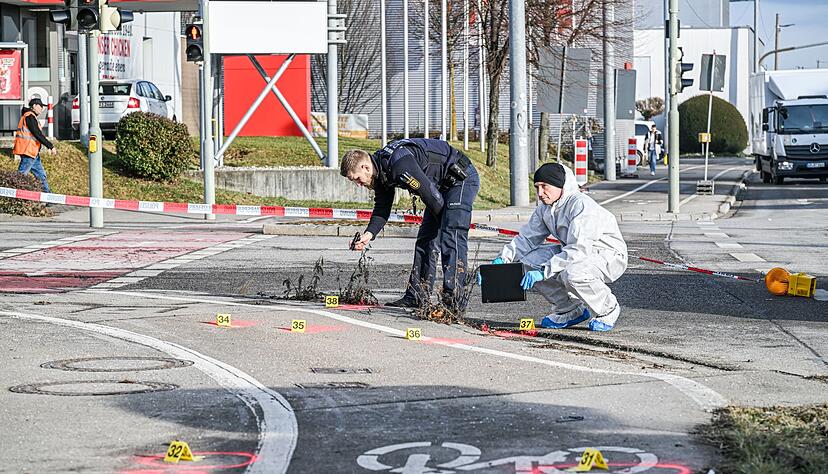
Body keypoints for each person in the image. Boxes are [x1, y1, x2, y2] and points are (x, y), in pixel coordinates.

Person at [341, 139, 480, 310]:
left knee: (451, 234)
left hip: (461, 179)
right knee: (426, 240)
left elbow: (430, 195)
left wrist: (447, 224)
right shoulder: (382, 169)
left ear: (365, 168)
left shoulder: (399, 164)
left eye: (357, 179)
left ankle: (453, 301)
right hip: (439, 187)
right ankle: (417, 295)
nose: (359, 184)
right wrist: (368, 235)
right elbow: (382, 208)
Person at [490, 163, 628, 331]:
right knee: (527, 263)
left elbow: (579, 249)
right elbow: (527, 238)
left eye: (544, 186)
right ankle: (569, 310)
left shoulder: (581, 206)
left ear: (559, 185)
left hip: (608, 255)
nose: (540, 193)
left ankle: (608, 308)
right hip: (574, 251)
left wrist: (544, 271)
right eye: (537, 187)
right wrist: (502, 259)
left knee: (573, 273)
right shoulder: (545, 209)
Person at [13, 98, 56, 193]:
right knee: (21, 175)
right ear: (34, 106)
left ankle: (48, 198)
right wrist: (50, 146)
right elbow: (37, 134)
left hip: (33, 152)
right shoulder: (29, 117)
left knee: (41, 176)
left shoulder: (30, 116)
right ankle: (12, 196)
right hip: (28, 151)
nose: (42, 109)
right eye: (41, 106)